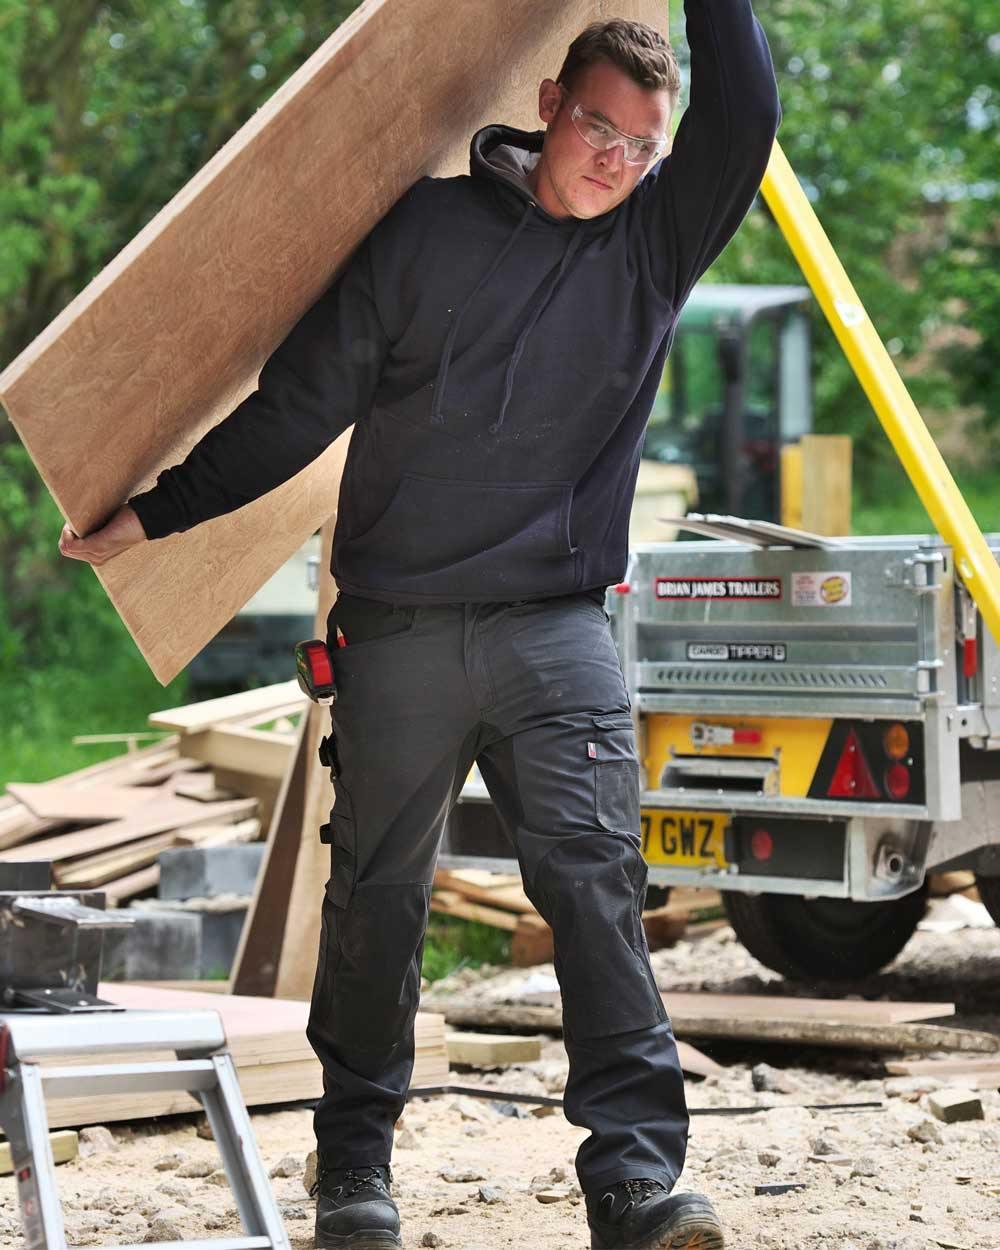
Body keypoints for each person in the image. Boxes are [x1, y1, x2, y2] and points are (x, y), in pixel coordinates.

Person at [62, 5, 779, 1246]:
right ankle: (355, 1174)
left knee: (597, 883)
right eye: (600, 126)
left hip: (556, 628)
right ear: (552, 100)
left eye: (640, 145)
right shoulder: (425, 232)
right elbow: (299, 406)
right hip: (395, 629)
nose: (616, 158)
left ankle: (634, 1179)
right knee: (375, 900)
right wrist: (160, 513)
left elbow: (750, 110)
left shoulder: (657, 245)